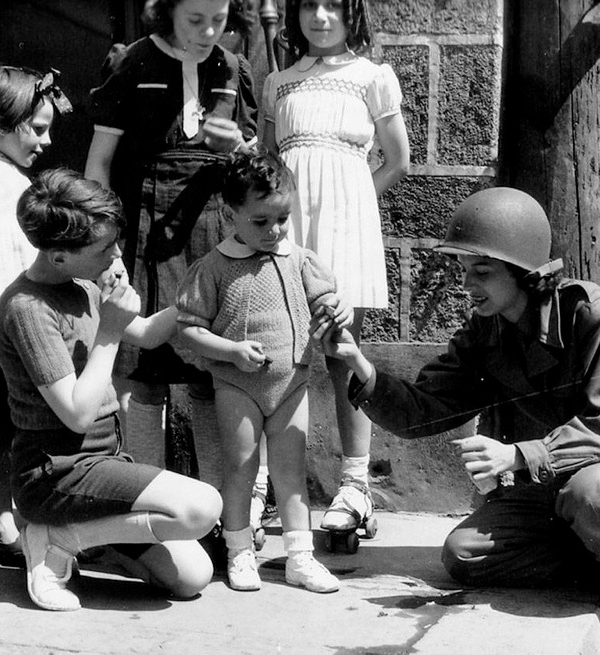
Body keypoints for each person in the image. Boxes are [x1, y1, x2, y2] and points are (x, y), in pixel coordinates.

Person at [319, 187, 600, 655]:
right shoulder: (487, 331)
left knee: (595, 496)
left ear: (524, 274)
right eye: (465, 271)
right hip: (559, 484)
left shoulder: (594, 316)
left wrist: (519, 454)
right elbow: (424, 407)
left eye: (482, 271)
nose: (468, 284)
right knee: (465, 554)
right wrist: (358, 364)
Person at [0, 168, 222, 612]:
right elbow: (77, 415)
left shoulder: (83, 287)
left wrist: (204, 289)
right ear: (59, 256)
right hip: (54, 473)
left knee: (194, 576)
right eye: (103, 248)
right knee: (201, 508)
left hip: (100, 464)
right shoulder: (27, 308)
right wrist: (110, 333)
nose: (116, 254)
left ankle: (88, 541)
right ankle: (54, 537)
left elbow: (150, 333)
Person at [84, 0, 258, 487]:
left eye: (218, 21)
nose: (208, 32)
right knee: (145, 377)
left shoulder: (231, 68)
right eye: (194, 20)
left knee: (210, 375)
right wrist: (106, 241)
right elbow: (99, 163)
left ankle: (221, 511)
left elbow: (252, 170)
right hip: (143, 227)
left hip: (209, 229)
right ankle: (149, 506)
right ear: (167, 12)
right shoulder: (133, 63)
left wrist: (238, 149)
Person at [262, 0, 410, 536]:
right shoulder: (278, 82)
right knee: (274, 348)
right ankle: (266, 486)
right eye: (310, 6)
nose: (321, 17)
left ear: (353, 14)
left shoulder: (373, 77)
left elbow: (396, 160)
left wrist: (352, 206)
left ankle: (355, 484)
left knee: (341, 349)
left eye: (334, 6)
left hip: (346, 229)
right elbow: (267, 166)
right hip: (287, 228)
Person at [175, 150, 351, 593]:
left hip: (291, 382)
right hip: (237, 384)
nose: (274, 231)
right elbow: (190, 330)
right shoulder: (214, 267)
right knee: (241, 469)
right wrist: (230, 350)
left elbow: (326, 302)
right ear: (229, 213)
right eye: (260, 221)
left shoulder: (298, 260)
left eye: (283, 219)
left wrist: (338, 308)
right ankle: (239, 553)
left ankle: (300, 558)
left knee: (291, 472)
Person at [0, 65, 70, 593]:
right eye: (37, 129)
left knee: (4, 428)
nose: (46, 141)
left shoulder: (19, 180)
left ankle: (2, 529)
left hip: (5, 328)